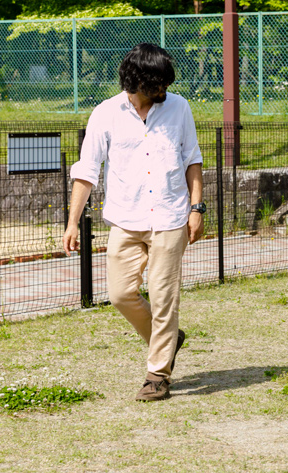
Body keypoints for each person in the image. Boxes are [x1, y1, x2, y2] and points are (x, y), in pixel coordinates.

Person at [62, 43, 205, 401]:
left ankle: (157, 374)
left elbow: (192, 159)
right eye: (158, 84)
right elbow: (87, 170)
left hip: (170, 216)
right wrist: (72, 222)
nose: (164, 91)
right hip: (125, 219)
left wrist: (197, 208)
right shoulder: (106, 113)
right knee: (121, 294)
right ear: (138, 82)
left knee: (162, 297)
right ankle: (170, 339)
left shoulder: (179, 108)